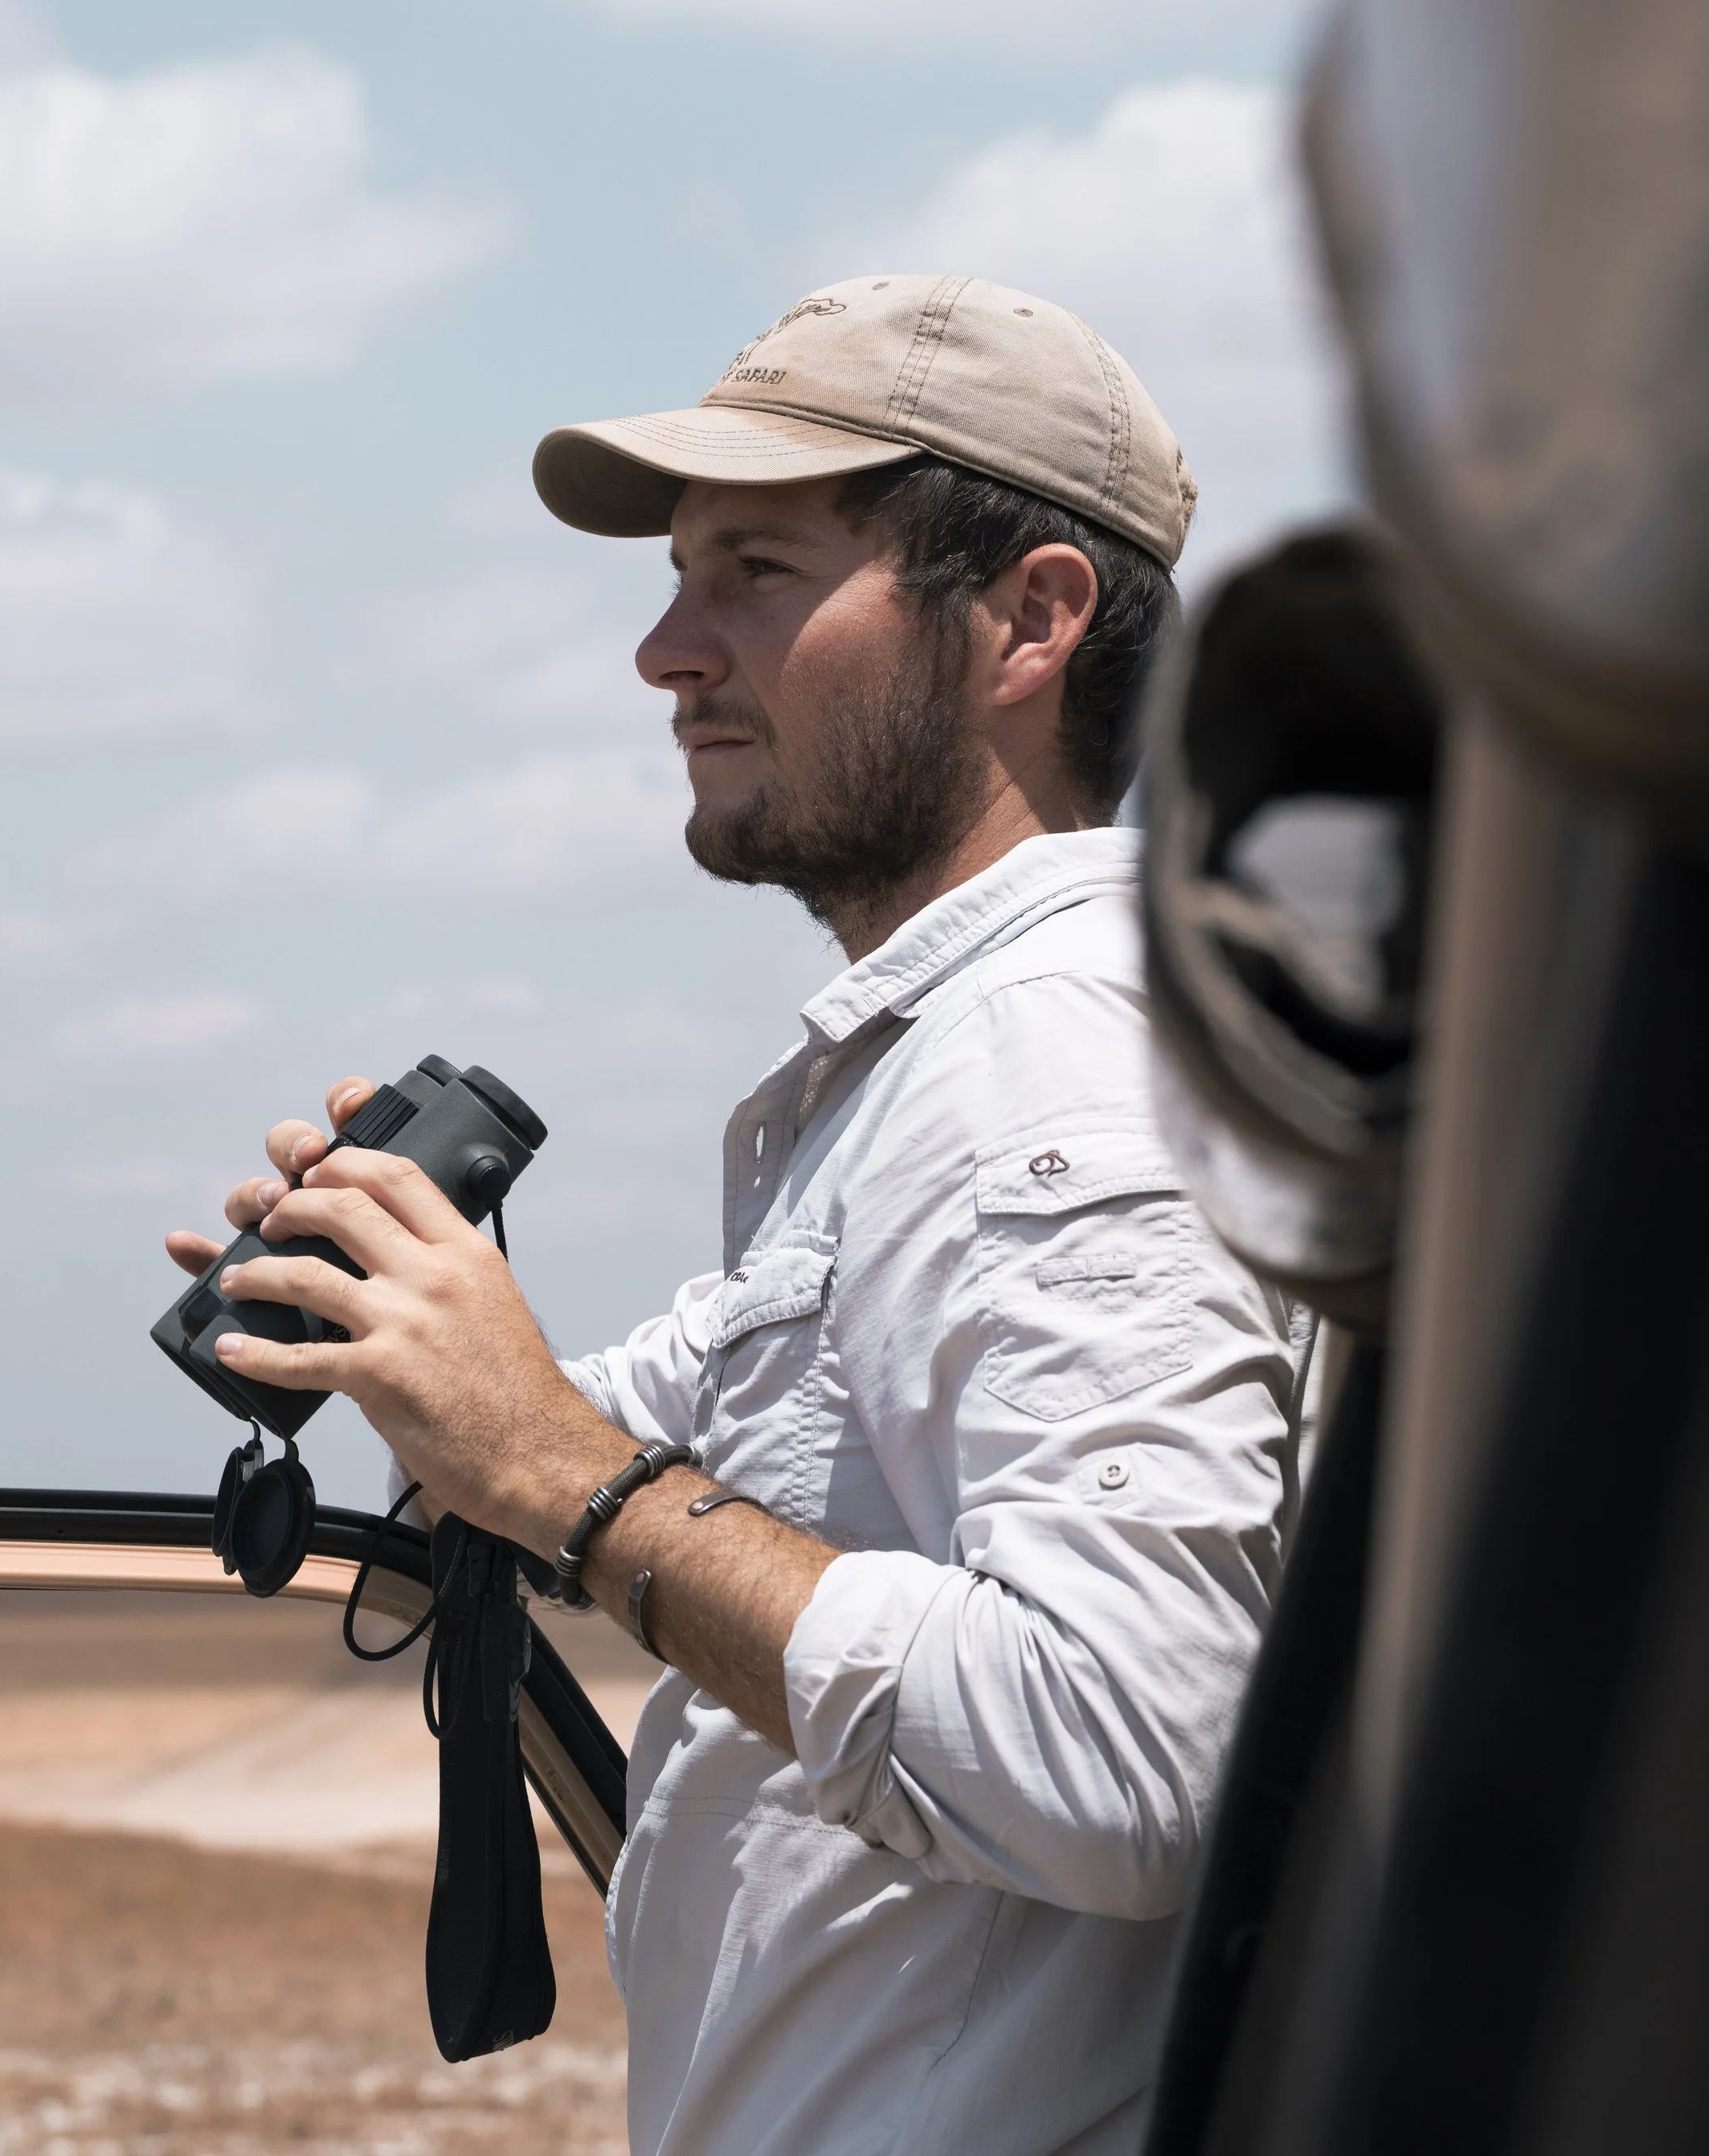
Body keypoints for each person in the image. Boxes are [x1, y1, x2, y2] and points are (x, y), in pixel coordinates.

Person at [166, 274, 1316, 2156]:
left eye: (756, 573)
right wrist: (427, 1341)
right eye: (678, 574)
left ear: (1029, 616)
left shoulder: (1050, 1056)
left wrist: (563, 1474)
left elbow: (1122, 1754)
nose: (664, 650)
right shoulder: (929, 1068)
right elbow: (569, 1451)